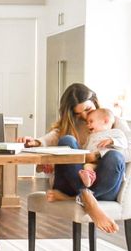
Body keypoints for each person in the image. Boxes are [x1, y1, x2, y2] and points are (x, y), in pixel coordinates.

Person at [18, 83, 130, 234]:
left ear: (95, 101)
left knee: (115, 155)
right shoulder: (70, 126)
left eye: (88, 110)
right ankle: (88, 200)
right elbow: (50, 138)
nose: (84, 117)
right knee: (67, 141)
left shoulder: (112, 121)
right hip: (72, 183)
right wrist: (36, 142)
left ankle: (76, 197)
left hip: (104, 185)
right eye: (78, 114)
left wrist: (97, 155)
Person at [79, 108, 127, 188]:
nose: (88, 125)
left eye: (91, 121)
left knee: (111, 157)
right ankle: (89, 182)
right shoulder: (91, 136)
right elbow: (85, 148)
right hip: (94, 164)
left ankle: (88, 186)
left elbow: (124, 143)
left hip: (107, 165)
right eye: (87, 123)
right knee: (87, 166)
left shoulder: (116, 132)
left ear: (105, 121)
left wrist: (112, 141)